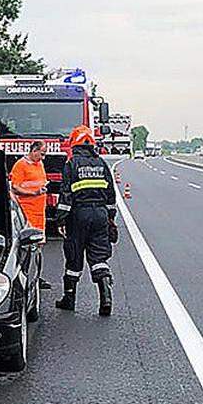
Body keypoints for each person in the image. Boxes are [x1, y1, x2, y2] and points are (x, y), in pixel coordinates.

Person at [54, 125, 118, 316]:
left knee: (74, 255)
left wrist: (60, 220)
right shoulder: (101, 163)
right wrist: (110, 218)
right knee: (99, 257)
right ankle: (106, 297)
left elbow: (66, 195)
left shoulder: (71, 164)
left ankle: (69, 299)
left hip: (78, 215)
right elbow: (111, 194)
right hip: (100, 214)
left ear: (75, 143)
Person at [10, 141, 52, 289]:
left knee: (38, 245)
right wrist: (34, 193)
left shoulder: (39, 164)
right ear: (34, 151)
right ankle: (23, 276)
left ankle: (36, 276)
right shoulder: (21, 165)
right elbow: (15, 187)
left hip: (39, 211)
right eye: (42, 153)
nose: (43, 157)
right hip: (26, 212)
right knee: (27, 246)